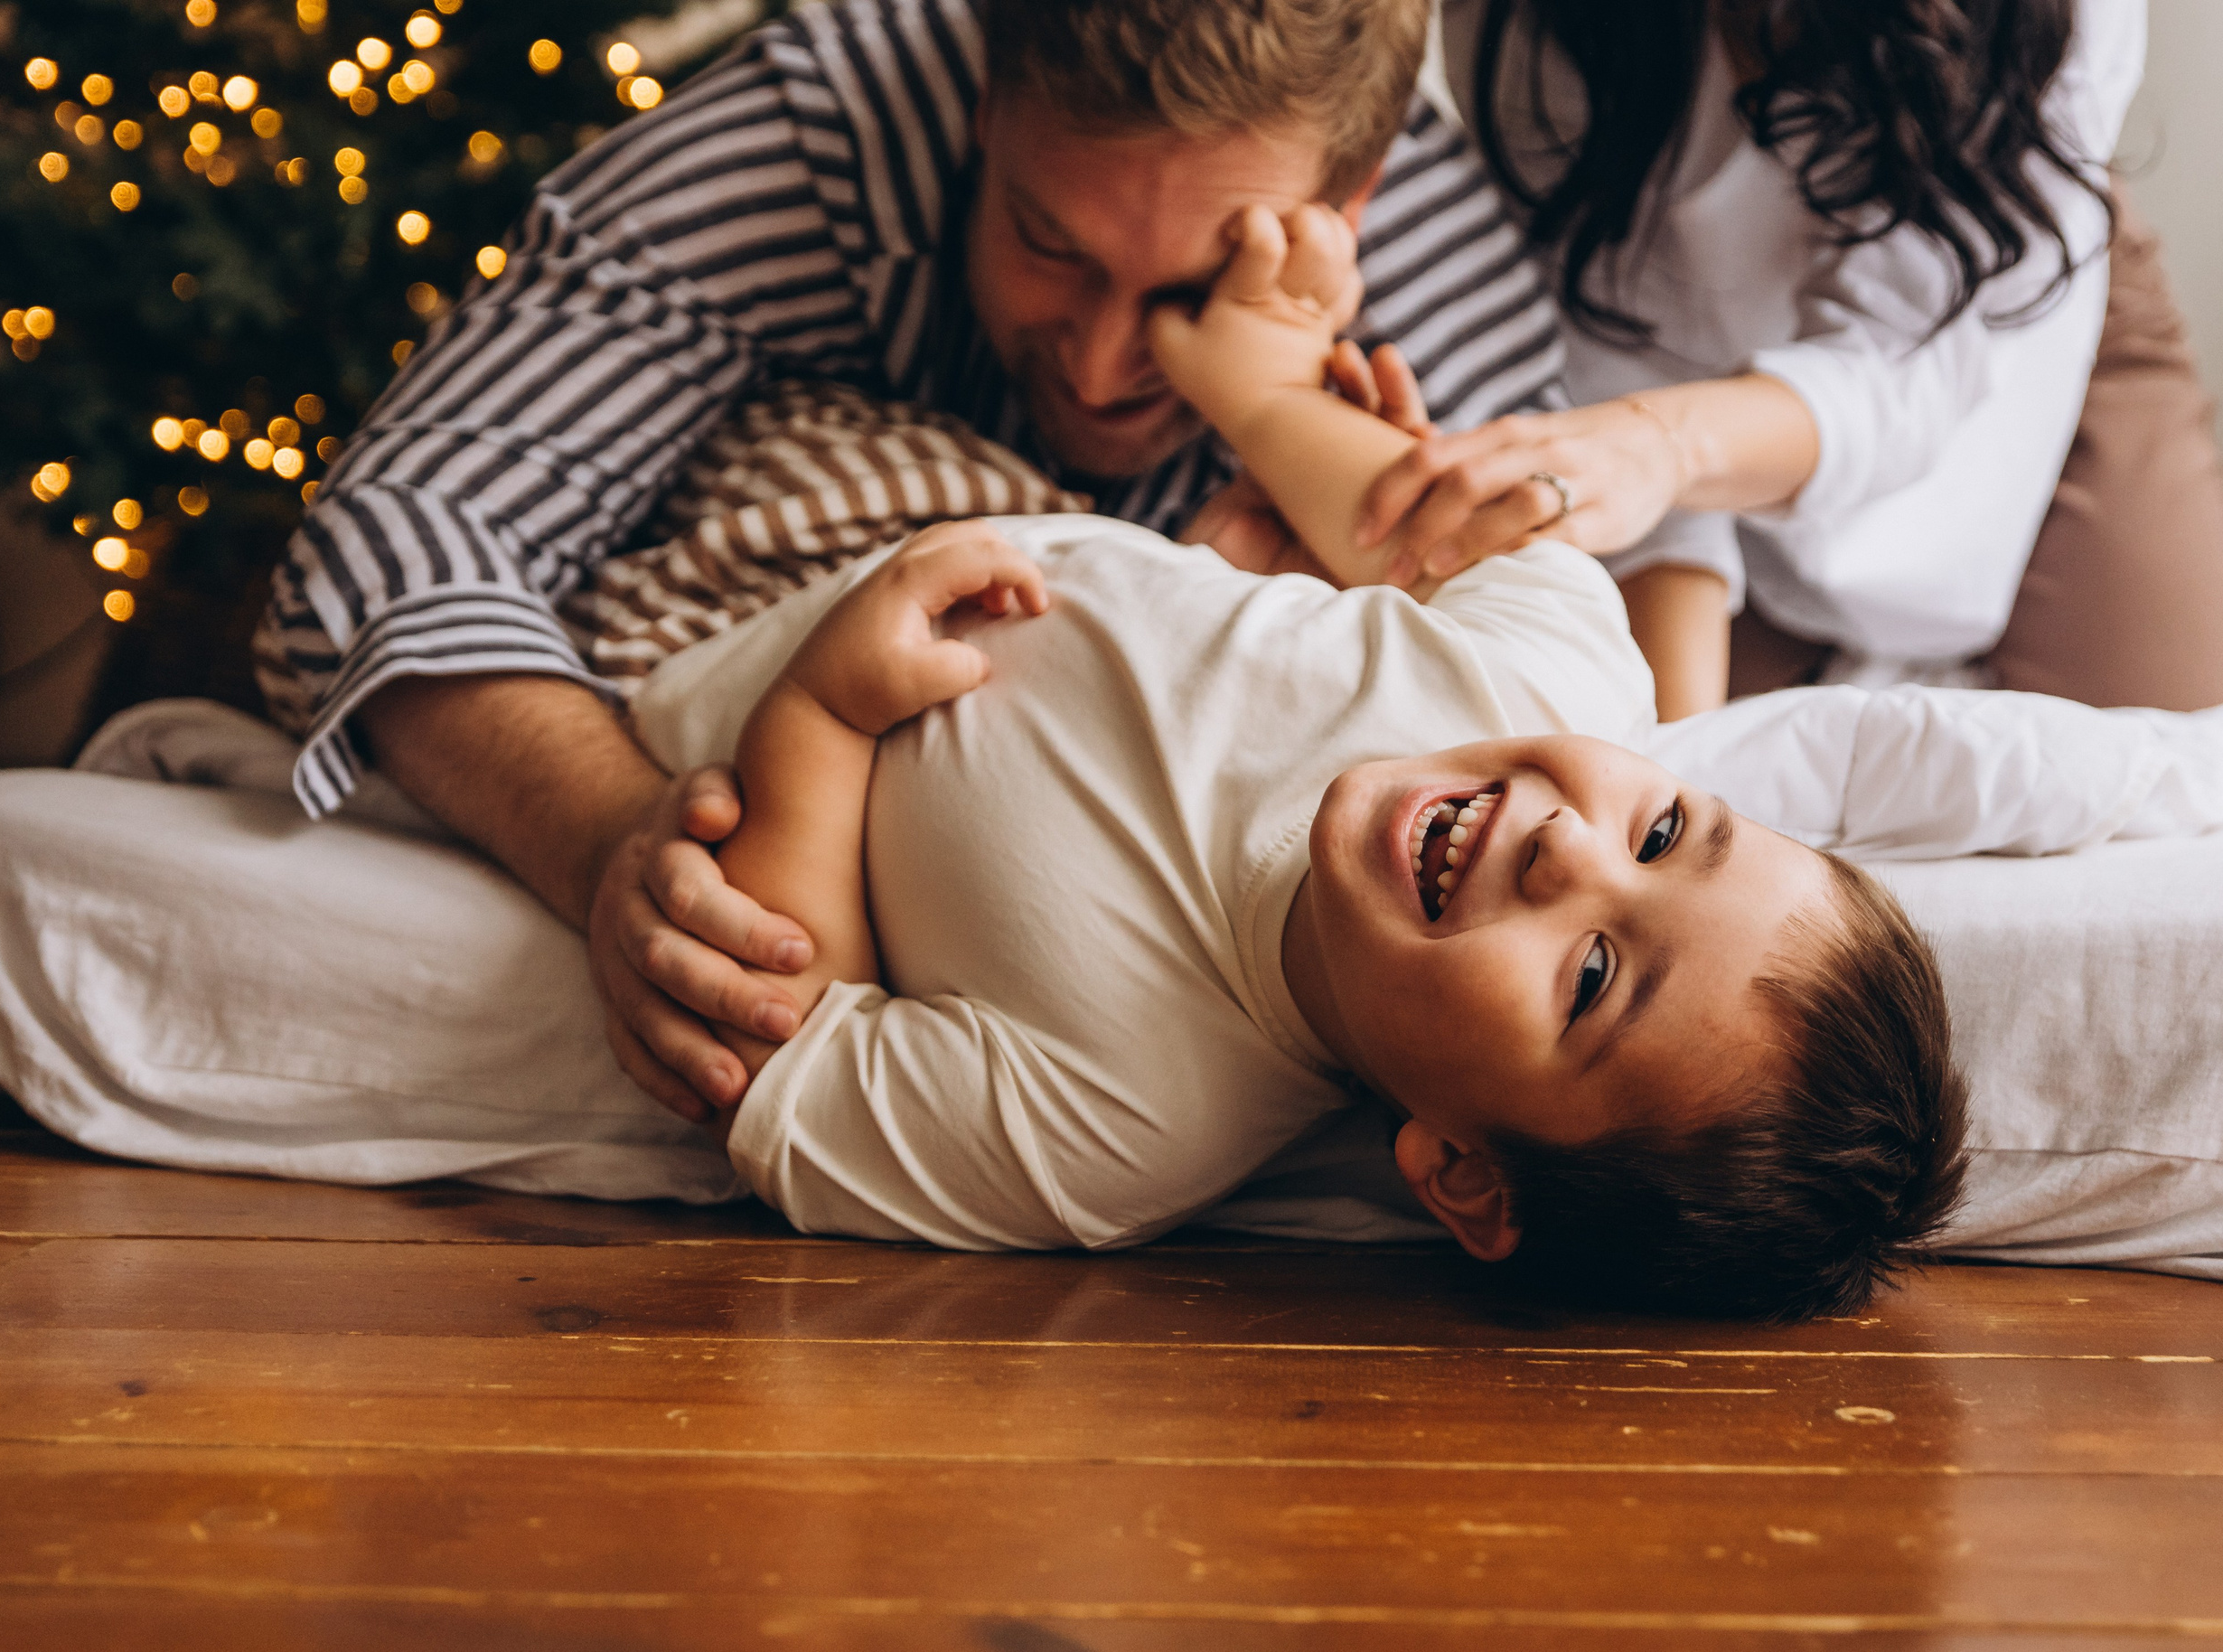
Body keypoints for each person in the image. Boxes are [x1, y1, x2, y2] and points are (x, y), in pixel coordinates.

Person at [249, 0, 1571, 1131]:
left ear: (1358, 197)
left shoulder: (1451, 298)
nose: (1108, 366)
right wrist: (614, 847)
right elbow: (391, 537)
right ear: (986, 99)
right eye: (1051, 244)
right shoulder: (805, 135)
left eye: (1190, 290)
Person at [648, 201, 1967, 1319]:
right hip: (944, 467)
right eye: (1667, 833)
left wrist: (823, 715)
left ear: (1463, 1174)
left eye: (1596, 975)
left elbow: (784, 1056)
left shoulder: (1117, 1126)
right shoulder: (1550, 670)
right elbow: (1413, 511)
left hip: (697, 632)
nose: (1573, 845)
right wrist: (1265, 393)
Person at [1346, 0, 2223, 719]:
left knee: (2205, 804)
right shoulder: (1534, 34)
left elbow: (1910, 368)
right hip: (1648, 394)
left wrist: (1659, 447)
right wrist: (1671, 748)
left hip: (2006, 324)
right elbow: (1605, 366)